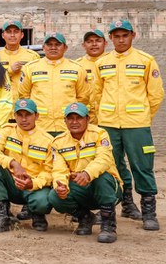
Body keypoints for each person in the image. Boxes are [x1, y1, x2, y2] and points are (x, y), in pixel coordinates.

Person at [92, 19, 163, 230]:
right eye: (116, 36)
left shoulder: (145, 60)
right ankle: (114, 206)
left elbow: (156, 95)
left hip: (137, 125)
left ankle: (149, 212)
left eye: (125, 35)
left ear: (133, 36)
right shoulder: (101, 63)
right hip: (108, 124)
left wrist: (143, 117)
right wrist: (102, 116)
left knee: (142, 166)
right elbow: (96, 94)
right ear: (111, 38)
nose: (121, 39)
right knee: (110, 166)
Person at [47, 103, 122, 243]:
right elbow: (59, 169)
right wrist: (61, 186)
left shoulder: (99, 134)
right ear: (65, 121)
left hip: (107, 188)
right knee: (54, 195)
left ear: (87, 119)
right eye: (70, 118)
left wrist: (87, 173)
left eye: (79, 118)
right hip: (80, 187)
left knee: (103, 177)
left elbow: (103, 159)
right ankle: (85, 218)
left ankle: (108, 226)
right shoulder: (58, 142)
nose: (74, 122)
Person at [0, 99, 54, 233]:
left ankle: (37, 214)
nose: (23, 119)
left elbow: (49, 172)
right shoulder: (7, 130)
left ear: (36, 116)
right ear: (14, 116)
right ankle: (2, 217)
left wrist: (32, 183)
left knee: (42, 202)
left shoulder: (48, 140)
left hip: (33, 186)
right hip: (11, 183)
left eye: (28, 115)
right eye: (19, 115)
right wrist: (12, 163)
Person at [18, 32, 90, 136]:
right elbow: (24, 95)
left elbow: (83, 98)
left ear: (65, 48)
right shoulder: (30, 68)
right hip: (40, 126)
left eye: (57, 44)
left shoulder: (77, 68)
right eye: (49, 45)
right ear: (43, 47)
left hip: (67, 126)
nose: (53, 48)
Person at [0, 20, 40, 102]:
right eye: (9, 32)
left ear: (22, 35)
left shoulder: (32, 56)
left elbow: (37, 83)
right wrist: (10, 70)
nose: (12, 35)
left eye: (16, 32)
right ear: (3, 35)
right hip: (2, 102)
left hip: (24, 104)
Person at [75, 28, 107, 120]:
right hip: (85, 116)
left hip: (109, 116)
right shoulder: (77, 66)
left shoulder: (113, 63)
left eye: (98, 41)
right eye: (89, 41)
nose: (94, 44)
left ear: (105, 43)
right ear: (83, 45)